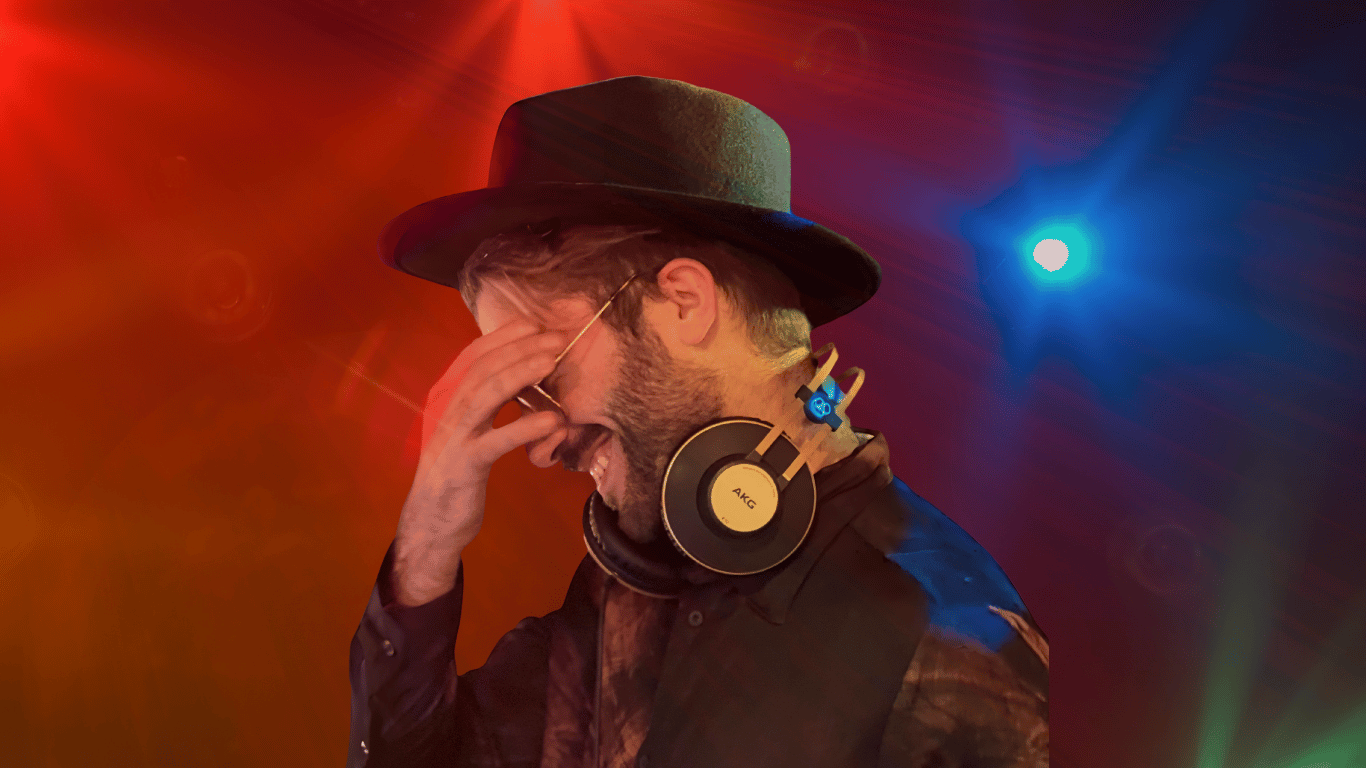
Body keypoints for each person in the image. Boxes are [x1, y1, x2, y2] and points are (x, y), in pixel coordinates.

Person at [347, 76, 1049, 768]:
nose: (540, 446)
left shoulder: (943, 641)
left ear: (684, 302)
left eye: (545, 378)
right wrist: (427, 544)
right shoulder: (620, 593)